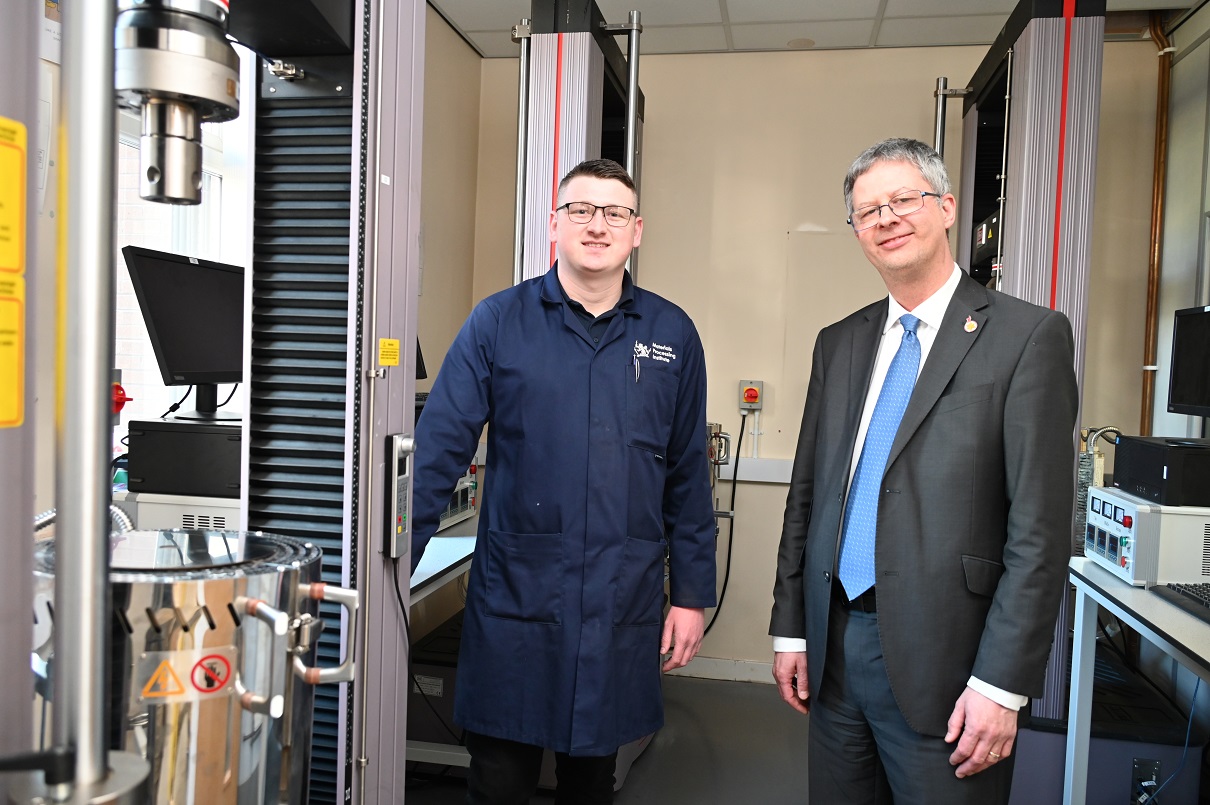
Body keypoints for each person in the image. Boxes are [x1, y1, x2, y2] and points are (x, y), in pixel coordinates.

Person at [769, 137, 1078, 803]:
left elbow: (1041, 532)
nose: (885, 218)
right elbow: (808, 498)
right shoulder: (840, 342)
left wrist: (1001, 683)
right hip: (834, 649)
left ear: (945, 206)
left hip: (951, 662)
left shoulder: (1027, 338)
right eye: (867, 210)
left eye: (902, 200)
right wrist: (792, 626)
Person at [411, 158, 717, 805]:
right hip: (518, 600)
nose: (596, 225)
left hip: (618, 597)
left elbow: (687, 474)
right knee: (499, 777)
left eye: (614, 213)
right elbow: (437, 455)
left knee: (591, 780)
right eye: (581, 210)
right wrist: (389, 580)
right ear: (555, 225)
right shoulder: (498, 322)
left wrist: (690, 594)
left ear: (637, 231)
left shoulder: (671, 335)